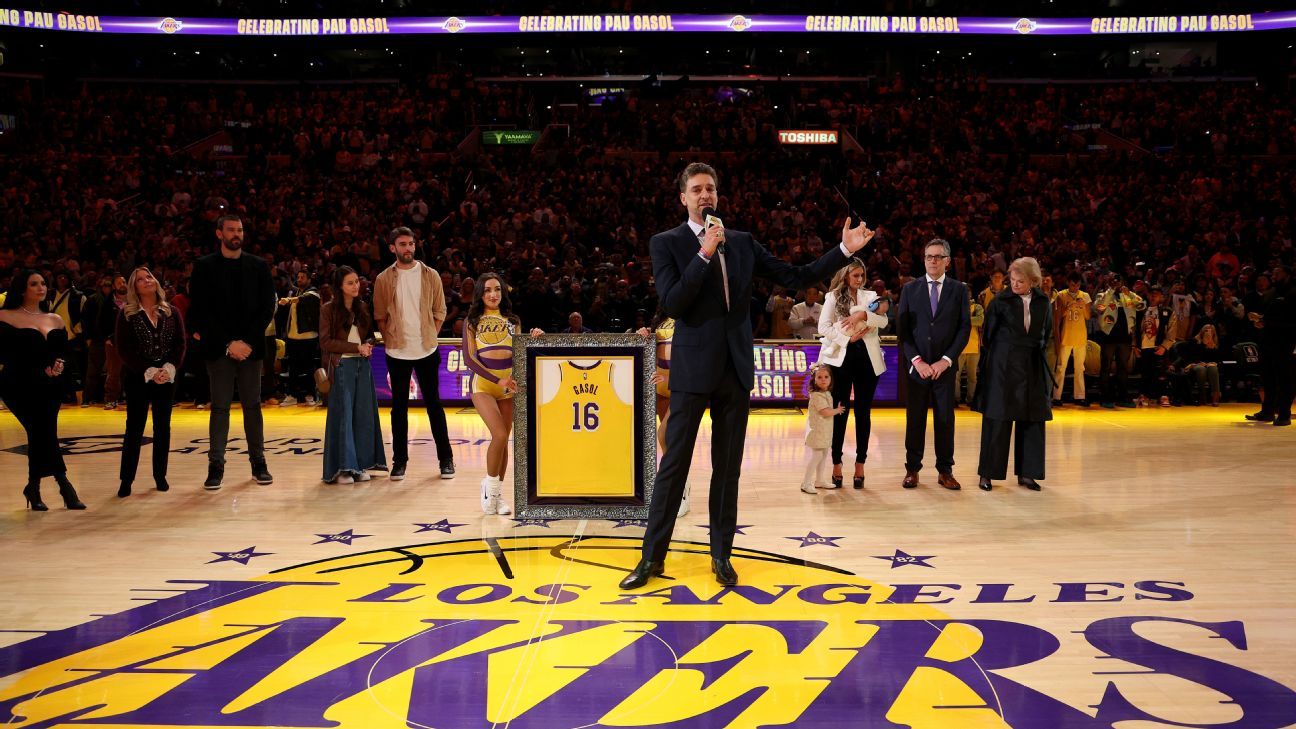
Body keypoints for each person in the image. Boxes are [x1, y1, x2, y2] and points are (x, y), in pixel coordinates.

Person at [620, 161, 873, 590]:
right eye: (697, 190)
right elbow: (675, 302)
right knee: (673, 467)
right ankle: (651, 559)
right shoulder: (666, 243)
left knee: (728, 470)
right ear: (683, 198)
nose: (706, 196)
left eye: (711, 189)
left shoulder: (741, 242)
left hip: (735, 371)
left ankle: (721, 556)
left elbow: (795, 276)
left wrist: (843, 251)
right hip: (691, 371)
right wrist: (703, 254)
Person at [187, 215, 276, 490]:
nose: (236, 234)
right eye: (231, 230)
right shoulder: (204, 267)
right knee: (220, 408)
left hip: (251, 349)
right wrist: (228, 343)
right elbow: (201, 310)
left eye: (239, 230)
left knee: (253, 406)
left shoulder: (259, 266)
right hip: (219, 348)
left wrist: (246, 342)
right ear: (219, 233)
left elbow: (266, 308)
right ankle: (216, 467)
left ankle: (258, 463)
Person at [372, 227, 454, 481]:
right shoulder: (383, 279)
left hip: (427, 350)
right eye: (402, 244)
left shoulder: (431, 275)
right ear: (392, 248)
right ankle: (400, 462)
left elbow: (440, 311)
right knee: (399, 409)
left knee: (434, 406)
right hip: (397, 352)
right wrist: (391, 340)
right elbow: (379, 317)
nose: (408, 248)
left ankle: (446, 459)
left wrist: (430, 334)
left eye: (411, 244)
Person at [0, 270, 85, 511]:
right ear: (21, 289)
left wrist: (59, 365)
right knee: (42, 432)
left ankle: (33, 486)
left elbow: (64, 353)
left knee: (42, 433)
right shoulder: (4, 316)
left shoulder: (55, 319)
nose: (41, 288)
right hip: (18, 385)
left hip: (50, 387)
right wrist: (40, 367)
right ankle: (64, 485)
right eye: (34, 284)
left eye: (43, 284)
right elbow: (7, 353)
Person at [463, 273, 543, 515]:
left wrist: (533, 339)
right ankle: (489, 485)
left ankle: (497, 497)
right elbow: (469, 358)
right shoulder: (472, 320)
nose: (493, 294)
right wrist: (497, 379)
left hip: (509, 387)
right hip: (484, 386)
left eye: (497, 289)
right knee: (498, 434)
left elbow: (519, 352)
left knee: (504, 441)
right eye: (488, 290)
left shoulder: (512, 319)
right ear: (480, 293)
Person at [896, 238, 972, 491]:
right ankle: (912, 470)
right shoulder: (909, 289)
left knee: (945, 420)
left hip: (944, 368)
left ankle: (945, 470)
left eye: (938, 257)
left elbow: (964, 329)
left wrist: (946, 360)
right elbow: (903, 332)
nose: (933, 261)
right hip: (917, 368)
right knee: (914, 419)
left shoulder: (960, 290)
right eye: (929, 256)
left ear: (948, 262)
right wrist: (917, 361)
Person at [974, 257, 1054, 491]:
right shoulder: (1000, 301)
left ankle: (1028, 474)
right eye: (1013, 280)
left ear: (1034, 281)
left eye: (1021, 281)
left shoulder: (1043, 302)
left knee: (1033, 418)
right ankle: (987, 474)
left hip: (1032, 364)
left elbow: (1046, 333)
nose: (1015, 285)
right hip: (1003, 365)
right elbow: (987, 336)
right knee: (997, 418)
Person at [816, 258, 889, 489]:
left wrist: (862, 316)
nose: (859, 279)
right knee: (840, 412)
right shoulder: (832, 297)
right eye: (855, 275)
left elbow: (884, 321)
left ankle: (860, 464)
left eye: (862, 275)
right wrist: (848, 338)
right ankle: (836, 464)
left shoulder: (870, 297)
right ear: (846, 275)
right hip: (842, 359)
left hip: (868, 360)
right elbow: (823, 328)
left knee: (863, 413)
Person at [114, 267, 186, 497]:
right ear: (134, 287)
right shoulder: (127, 314)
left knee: (163, 428)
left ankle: (160, 476)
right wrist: (148, 370)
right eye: (141, 279)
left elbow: (180, 344)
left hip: (166, 378)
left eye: (149, 277)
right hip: (138, 378)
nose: (147, 281)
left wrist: (169, 368)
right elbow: (123, 349)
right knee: (134, 429)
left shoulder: (171, 311)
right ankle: (126, 479)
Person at [320, 266, 388, 484]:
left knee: (363, 416)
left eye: (356, 282)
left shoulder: (362, 308)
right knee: (344, 417)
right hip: (341, 367)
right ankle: (343, 468)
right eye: (350, 283)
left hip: (362, 366)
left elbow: (369, 336)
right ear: (340, 287)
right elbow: (326, 342)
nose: (355, 286)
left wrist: (368, 344)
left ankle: (359, 466)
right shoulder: (328, 309)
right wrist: (354, 348)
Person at [1246, 265, 1295, 426]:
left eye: (1277, 272)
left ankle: (1284, 414)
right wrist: (1259, 320)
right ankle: (1267, 411)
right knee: (1267, 377)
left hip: (1284, 341)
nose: (1273, 275)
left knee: (1284, 379)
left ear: (1287, 274)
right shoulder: (1271, 293)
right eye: (1272, 273)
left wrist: (1266, 322)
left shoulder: (1293, 293)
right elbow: (1267, 316)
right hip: (1267, 340)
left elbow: (1292, 322)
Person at [1093, 275, 1144, 409]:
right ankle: (1105, 397)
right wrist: (1110, 290)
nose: (1116, 283)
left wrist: (1131, 293)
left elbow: (1141, 305)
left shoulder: (1128, 297)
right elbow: (1099, 308)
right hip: (1108, 337)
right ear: (1109, 283)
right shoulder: (1102, 295)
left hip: (1125, 338)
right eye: (1113, 282)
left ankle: (1122, 397)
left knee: (1123, 368)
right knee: (1106, 368)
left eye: (1118, 281)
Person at [801, 364, 845, 494]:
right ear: (814, 380)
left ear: (831, 379)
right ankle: (806, 482)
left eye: (826, 377)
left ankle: (819, 480)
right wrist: (837, 410)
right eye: (819, 377)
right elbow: (825, 412)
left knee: (824, 454)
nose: (823, 379)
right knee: (817, 455)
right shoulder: (817, 396)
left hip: (824, 431)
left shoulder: (825, 393)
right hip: (817, 431)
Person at [280, 269, 321, 407]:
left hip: (308, 336)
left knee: (308, 367)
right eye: (298, 277)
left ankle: (311, 395)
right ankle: (291, 395)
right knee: (293, 368)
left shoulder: (314, 292)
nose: (300, 279)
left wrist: (289, 300)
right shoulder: (296, 292)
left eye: (303, 277)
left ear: (309, 279)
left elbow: (305, 298)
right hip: (292, 337)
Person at [1052, 273, 1093, 406]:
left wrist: (1083, 306)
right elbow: (1058, 316)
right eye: (1072, 284)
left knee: (1079, 368)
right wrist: (1067, 306)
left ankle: (1079, 396)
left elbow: (1087, 316)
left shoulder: (1085, 296)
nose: (1075, 287)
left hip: (1080, 336)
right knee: (1061, 367)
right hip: (1065, 335)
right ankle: (1056, 396)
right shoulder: (1061, 295)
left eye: (1077, 285)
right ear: (1068, 283)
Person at [1175, 324, 1223, 406]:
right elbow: (1190, 356)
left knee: (1213, 368)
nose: (1208, 333)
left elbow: (1217, 359)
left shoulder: (1215, 343)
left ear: (1214, 333)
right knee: (1201, 369)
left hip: (1208, 364)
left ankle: (1215, 397)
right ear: (1201, 331)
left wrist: (1211, 346)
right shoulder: (1194, 341)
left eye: (1211, 331)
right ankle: (1202, 397)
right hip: (1194, 364)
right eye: (1206, 330)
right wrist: (1199, 361)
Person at [956, 297, 985, 407]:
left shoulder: (977, 307)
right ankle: (956, 399)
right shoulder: (956, 306)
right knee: (955, 376)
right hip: (959, 348)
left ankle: (971, 399)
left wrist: (963, 320)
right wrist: (970, 320)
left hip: (974, 347)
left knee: (972, 376)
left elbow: (980, 321)